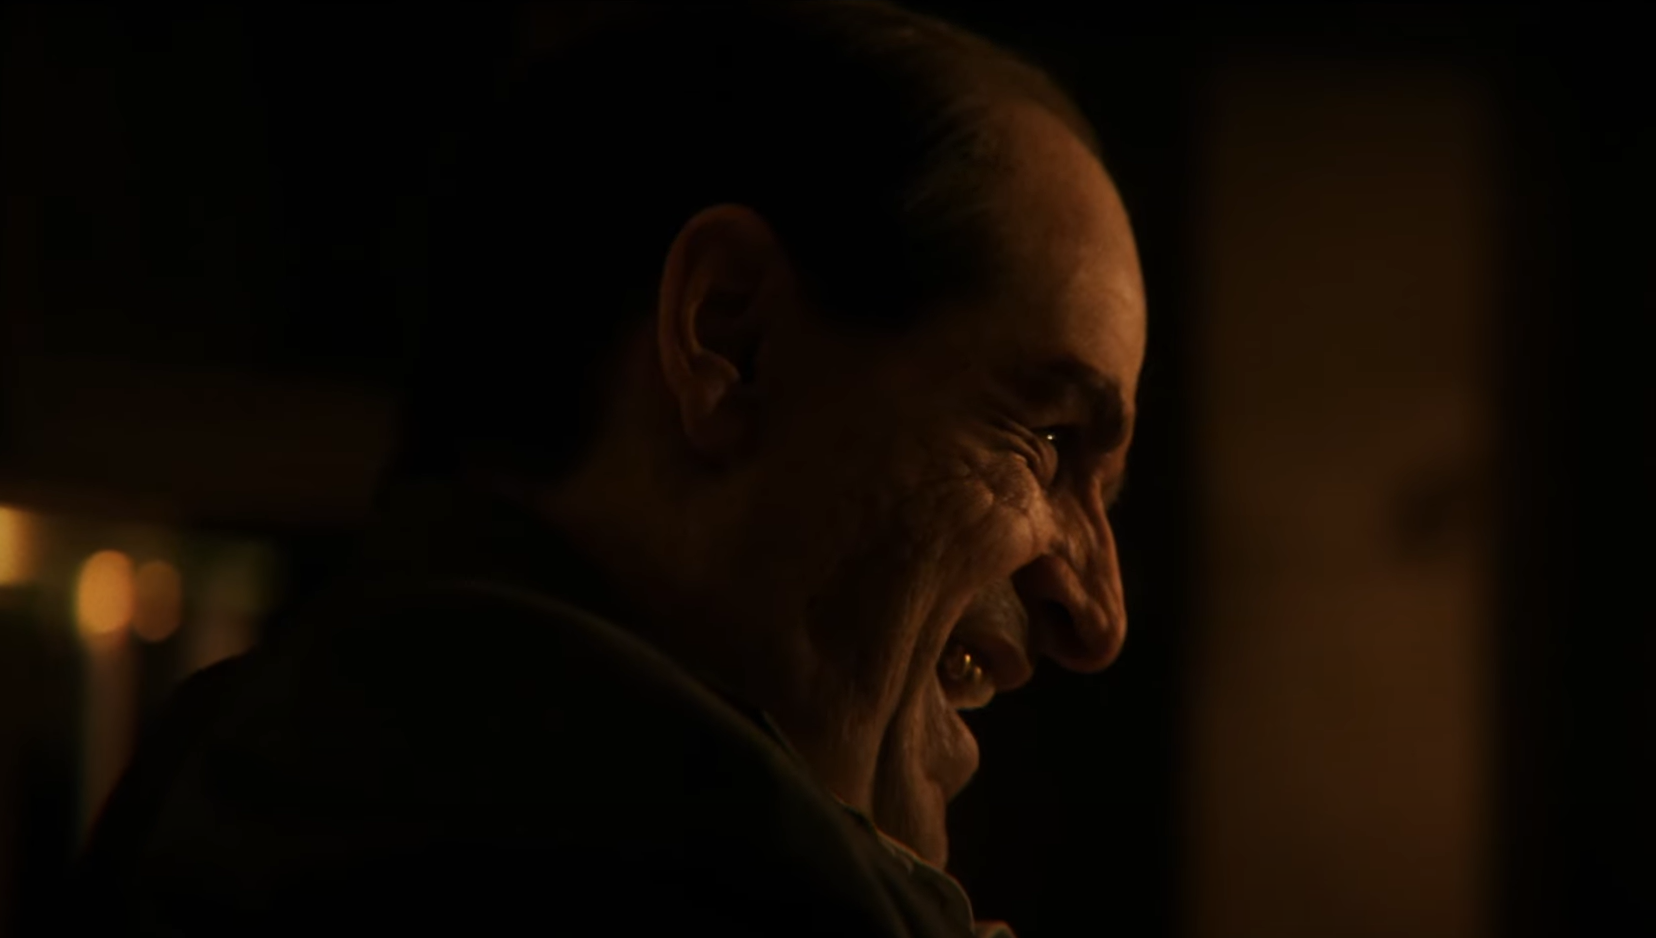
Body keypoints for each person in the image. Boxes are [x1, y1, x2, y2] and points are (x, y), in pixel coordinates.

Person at [70, 2, 1146, 935]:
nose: (1097, 619)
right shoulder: (653, 869)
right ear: (731, 339)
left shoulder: (266, 783)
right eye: (1049, 439)